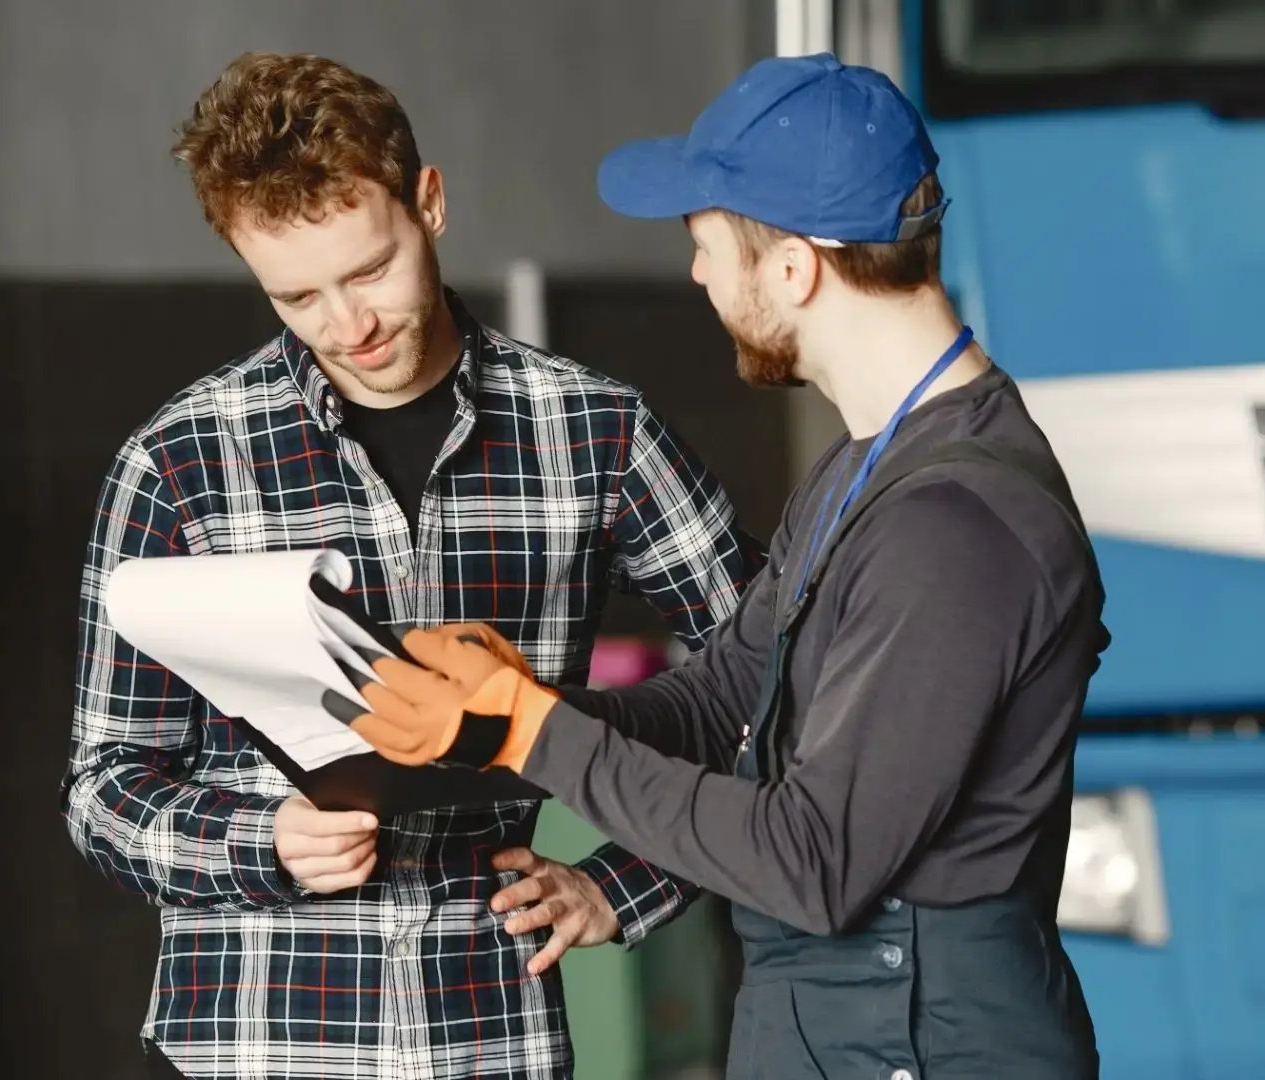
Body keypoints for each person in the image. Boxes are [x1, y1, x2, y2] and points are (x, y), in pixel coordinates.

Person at [344, 53, 1109, 1079]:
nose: (698, 274)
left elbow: (816, 859)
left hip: (923, 1044)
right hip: (845, 1033)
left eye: (706, 244)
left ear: (793, 269)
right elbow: (720, 706)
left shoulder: (953, 531)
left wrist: (526, 733)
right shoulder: (863, 470)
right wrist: (521, 699)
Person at [61, 52, 761, 1080]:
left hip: (489, 1033)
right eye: (297, 297)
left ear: (428, 203)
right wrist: (267, 842)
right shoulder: (177, 464)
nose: (350, 326)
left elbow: (768, 677)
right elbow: (102, 788)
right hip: (256, 1041)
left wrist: (627, 885)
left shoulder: (593, 429)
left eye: (370, 270)